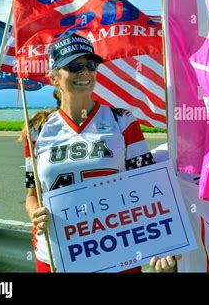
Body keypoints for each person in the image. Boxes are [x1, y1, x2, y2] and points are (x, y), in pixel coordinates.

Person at [24, 33, 180, 273]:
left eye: (90, 65)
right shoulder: (37, 130)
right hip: (57, 253)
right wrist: (35, 213)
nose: (84, 72)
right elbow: (33, 194)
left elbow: (150, 185)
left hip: (117, 249)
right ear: (54, 76)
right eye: (74, 66)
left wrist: (165, 242)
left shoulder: (122, 121)